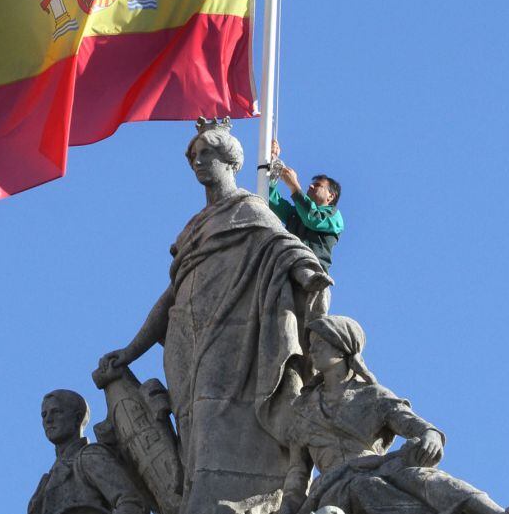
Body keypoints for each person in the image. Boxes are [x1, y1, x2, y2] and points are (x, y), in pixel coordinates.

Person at [98, 119, 332, 514]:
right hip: (184, 342)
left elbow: (282, 248)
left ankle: (231, 501)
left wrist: (308, 274)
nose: (198, 162)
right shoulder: (192, 229)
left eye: (207, 153)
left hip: (233, 334)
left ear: (229, 161)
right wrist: (132, 350)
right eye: (194, 156)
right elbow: (171, 297)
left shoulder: (249, 209)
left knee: (219, 420)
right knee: (191, 428)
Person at [279, 316, 509, 514]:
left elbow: (418, 427)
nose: (312, 349)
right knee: (366, 488)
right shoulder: (303, 410)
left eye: (321, 342)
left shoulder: (372, 396)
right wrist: (287, 508)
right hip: (334, 487)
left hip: (378, 468)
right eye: (311, 343)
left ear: (342, 348)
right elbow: (298, 473)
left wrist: (431, 437)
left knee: (428, 479)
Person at [28, 389, 148, 514]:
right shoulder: (47, 480)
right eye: (44, 415)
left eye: (56, 412)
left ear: (78, 417)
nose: (48, 420)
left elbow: (132, 502)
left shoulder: (89, 457)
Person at [267, 140, 343, 275]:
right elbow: (272, 201)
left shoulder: (334, 217)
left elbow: (312, 219)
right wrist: (272, 160)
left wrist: (294, 186)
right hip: (287, 263)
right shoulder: (297, 213)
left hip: (312, 268)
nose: (311, 186)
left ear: (331, 196)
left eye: (318, 185)